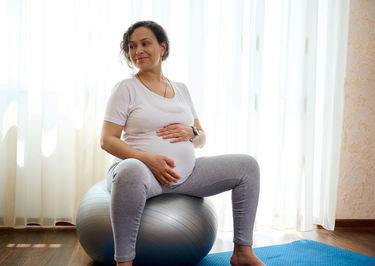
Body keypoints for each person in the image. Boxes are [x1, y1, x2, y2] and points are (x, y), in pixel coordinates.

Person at [100, 20, 264, 266]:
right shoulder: (126, 89)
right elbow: (107, 140)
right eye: (132, 46)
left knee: (247, 166)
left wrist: (192, 132)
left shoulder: (181, 90)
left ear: (162, 47)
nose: (138, 51)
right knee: (131, 169)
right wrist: (149, 161)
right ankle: (124, 263)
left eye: (145, 43)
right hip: (142, 174)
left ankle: (243, 252)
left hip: (186, 175)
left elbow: (201, 138)